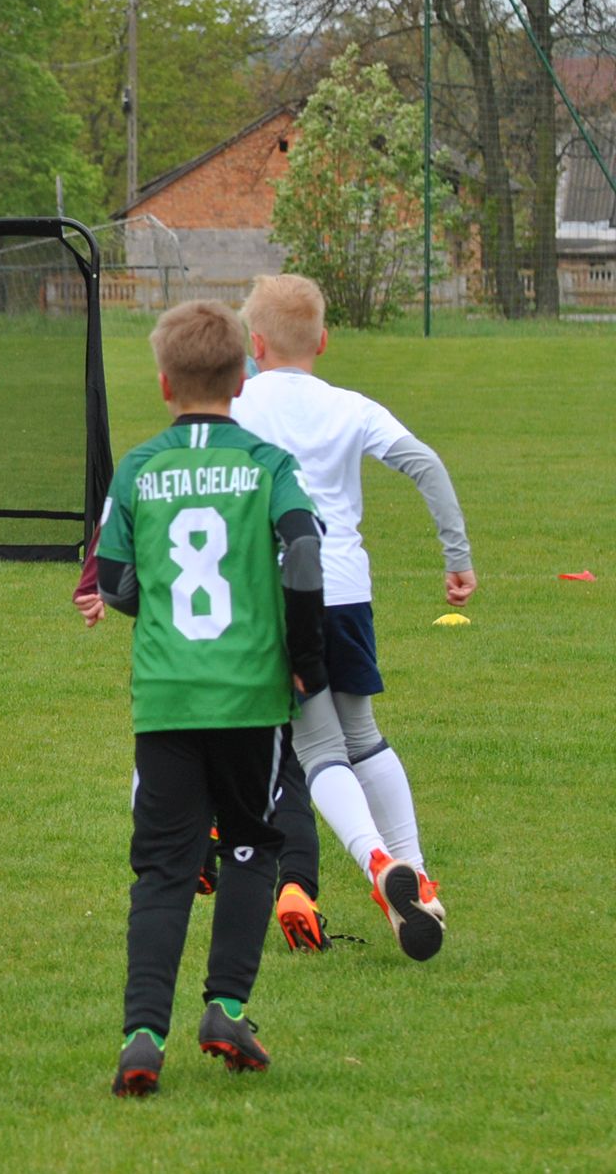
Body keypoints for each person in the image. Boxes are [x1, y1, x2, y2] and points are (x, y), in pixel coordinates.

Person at [97, 300, 331, 1098]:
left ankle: (141, 1034)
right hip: (250, 695)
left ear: (165, 382)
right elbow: (304, 551)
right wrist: (305, 655)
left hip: (167, 693)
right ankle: (226, 1008)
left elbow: (114, 581)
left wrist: (155, 605)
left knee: (163, 867)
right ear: (242, 377)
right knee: (251, 846)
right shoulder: (269, 464)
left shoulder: (138, 467)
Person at [230, 273, 469, 962]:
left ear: (256, 344)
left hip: (279, 591)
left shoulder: (237, 404)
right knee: (363, 735)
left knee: (318, 750)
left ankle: (379, 864)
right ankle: (416, 873)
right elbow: (425, 464)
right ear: (324, 341)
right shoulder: (349, 405)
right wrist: (457, 555)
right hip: (347, 589)